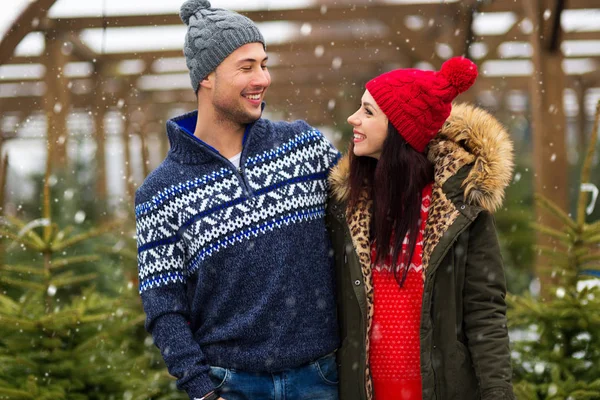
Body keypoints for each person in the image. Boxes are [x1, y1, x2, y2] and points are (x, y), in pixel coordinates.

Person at [134, 1, 341, 399]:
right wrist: (201, 390)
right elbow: (163, 305)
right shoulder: (160, 193)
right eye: (246, 68)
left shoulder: (303, 146)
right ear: (206, 77)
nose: (262, 78)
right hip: (232, 386)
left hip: (321, 377)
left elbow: (368, 207)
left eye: (263, 64)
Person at [326, 57, 516, 400]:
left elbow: (485, 310)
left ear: (400, 129)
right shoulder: (348, 205)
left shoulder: (461, 207)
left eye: (368, 112)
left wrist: (497, 392)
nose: (354, 118)